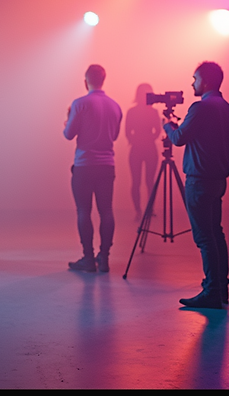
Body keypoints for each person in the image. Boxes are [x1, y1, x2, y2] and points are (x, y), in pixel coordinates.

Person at [164, 61, 229, 309]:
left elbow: (178, 139)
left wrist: (167, 124)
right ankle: (221, 289)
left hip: (199, 180)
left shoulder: (200, 108)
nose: (192, 83)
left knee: (205, 238)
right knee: (216, 234)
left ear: (205, 81)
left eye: (195, 78)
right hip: (218, 180)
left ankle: (211, 292)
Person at [63, 64, 122, 273]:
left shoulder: (80, 104)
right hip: (107, 164)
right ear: (103, 80)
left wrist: (67, 121)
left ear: (85, 80)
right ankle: (104, 258)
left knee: (83, 210)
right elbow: (114, 136)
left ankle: (88, 258)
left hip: (84, 165)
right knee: (106, 210)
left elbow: (69, 134)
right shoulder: (115, 106)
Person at [126, 83, 162, 220]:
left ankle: (148, 209)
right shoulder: (138, 112)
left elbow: (157, 131)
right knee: (137, 181)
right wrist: (144, 139)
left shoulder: (152, 112)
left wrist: (140, 139)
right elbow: (128, 131)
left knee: (149, 181)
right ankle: (138, 210)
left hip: (145, 147)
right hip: (141, 147)